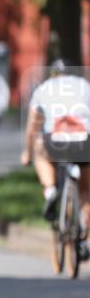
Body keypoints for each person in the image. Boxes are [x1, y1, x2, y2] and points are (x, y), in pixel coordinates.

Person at [21, 61, 90, 236]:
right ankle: (83, 236)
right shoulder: (85, 86)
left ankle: (50, 190)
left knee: (39, 151)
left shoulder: (44, 88)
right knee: (86, 190)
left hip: (56, 140)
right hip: (84, 141)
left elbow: (32, 128)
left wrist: (27, 153)